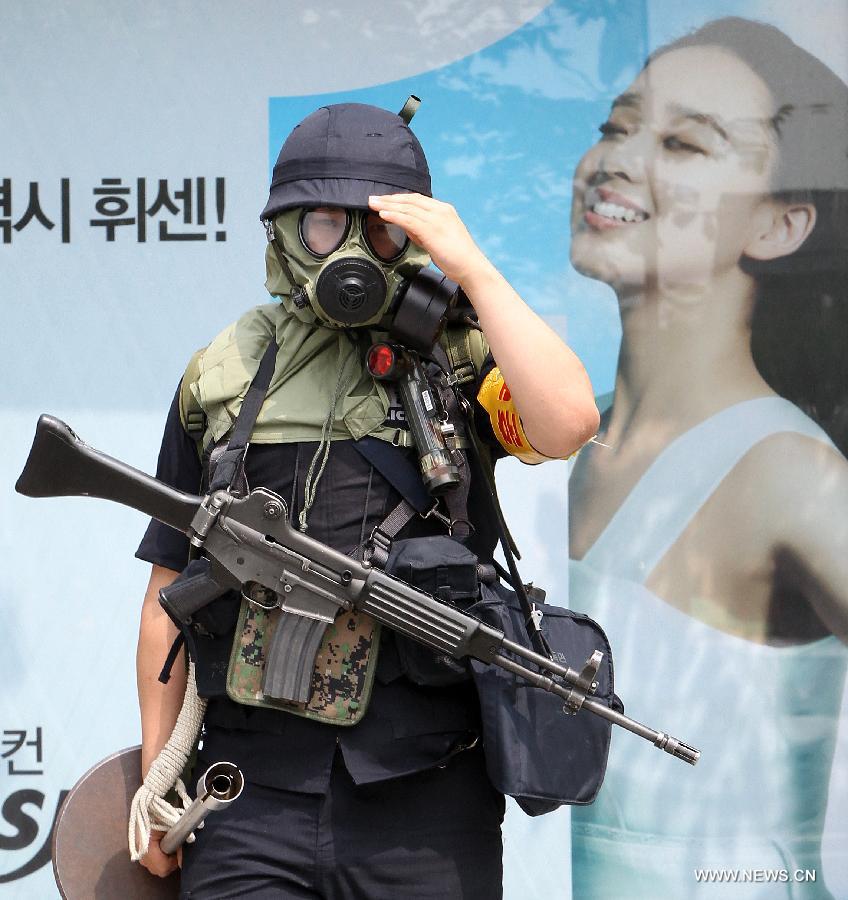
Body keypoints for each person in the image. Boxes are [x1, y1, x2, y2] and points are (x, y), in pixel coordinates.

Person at [133, 101, 599, 898]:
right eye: (322, 224)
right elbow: (165, 598)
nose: (350, 250)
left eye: (378, 228)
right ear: (283, 231)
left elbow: (568, 423)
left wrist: (476, 274)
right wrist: (156, 784)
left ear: (414, 237)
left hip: (425, 800)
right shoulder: (224, 374)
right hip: (244, 795)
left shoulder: (462, 358)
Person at [566, 17, 848, 898]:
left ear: (780, 223)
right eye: (617, 124)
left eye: (686, 143)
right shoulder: (563, 439)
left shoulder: (789, 476)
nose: (616, 160)